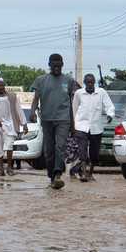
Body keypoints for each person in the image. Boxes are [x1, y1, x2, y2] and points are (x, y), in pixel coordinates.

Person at [30, 54, 80, 190]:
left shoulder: (68, 81)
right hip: (46, 119)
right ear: (49, 65)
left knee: (60, 146)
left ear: (62, 65)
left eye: (59, 65)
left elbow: (70, 103)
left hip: (63, 119)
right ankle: (52, 176)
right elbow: (36, 99)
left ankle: (58, 173)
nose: (57, 68)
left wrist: (73, 125)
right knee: (49, 150)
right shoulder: (41, 80)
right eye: (54, 65)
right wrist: (32, 112)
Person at [69, 74, 116, 182]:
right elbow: (74, 109)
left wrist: (110, 114)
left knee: (94, 153)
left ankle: (90, 173)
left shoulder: (101, 92)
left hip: (96, 127)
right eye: (88, 82)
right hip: (81, 126)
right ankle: (84, 174)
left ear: (94, 82)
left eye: (92, 82)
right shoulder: (79, 93)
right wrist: (73, 126)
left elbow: (109, 105)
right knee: (82, 151)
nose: (90, 84)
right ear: (85, 83)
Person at [0, 78, 26, 178]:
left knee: (9, 145)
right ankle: (1, 169)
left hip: (10, 125)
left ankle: (9, 167)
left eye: (2, 85)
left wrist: (24, 124)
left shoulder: (12, 96)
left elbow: (19, 110)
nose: (1, 87)